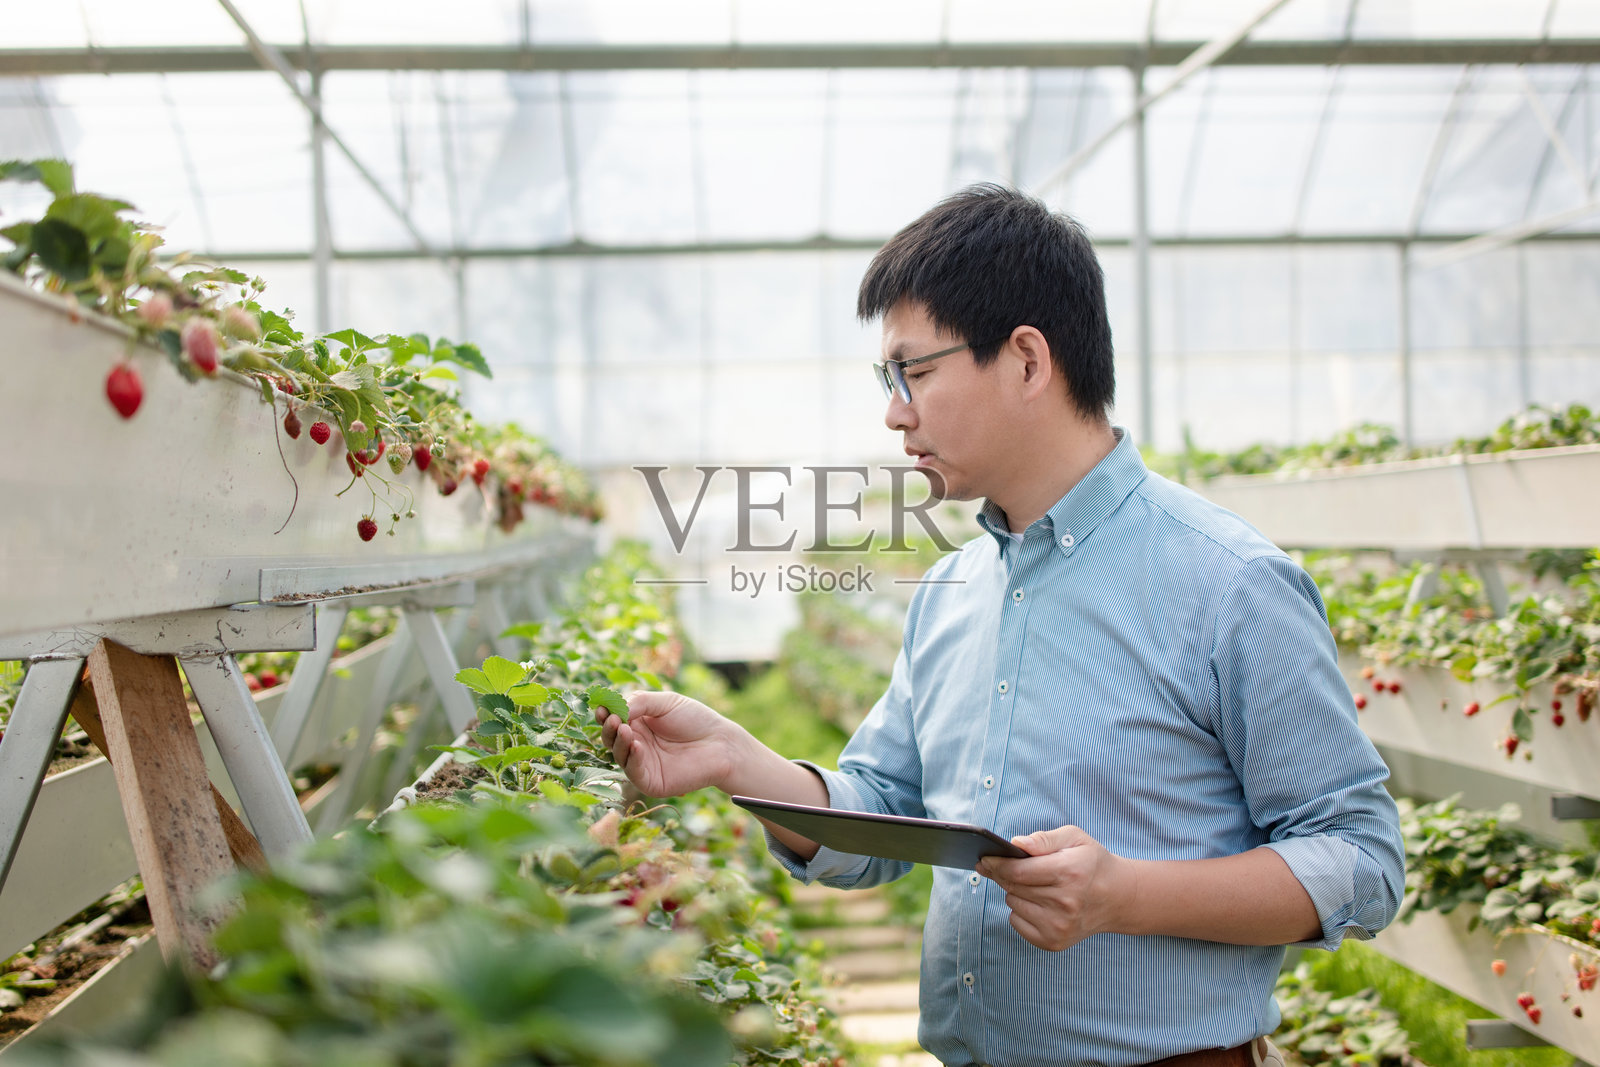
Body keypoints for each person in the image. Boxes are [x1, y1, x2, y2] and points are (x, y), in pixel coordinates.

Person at [597, 184, 1405, 1067]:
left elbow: (1360, 859)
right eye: (888, 378)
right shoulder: (951, 591)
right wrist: (736, 760)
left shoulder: (1228, 582)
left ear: (1025, 360)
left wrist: (1122, 895)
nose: (895, 410)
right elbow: (883, 815)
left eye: (916, 371)